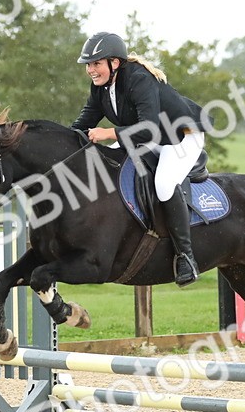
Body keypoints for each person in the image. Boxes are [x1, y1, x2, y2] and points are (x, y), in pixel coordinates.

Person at [70, 31, 209, 286]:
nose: (91, 69)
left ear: (115, 63)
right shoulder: (100, 86)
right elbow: (82, 124)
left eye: (96, 63)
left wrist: (109, 133)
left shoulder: (138, 79)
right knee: (110, 165)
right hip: (149, 136)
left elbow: (150, 129)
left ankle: (186, 257)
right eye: (88, 64)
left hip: (181, 136)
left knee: (164, 185)